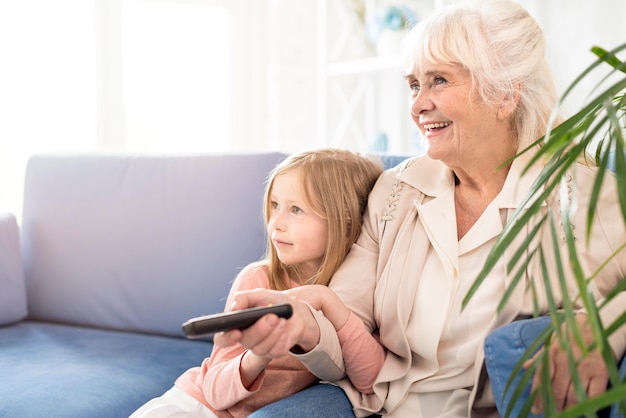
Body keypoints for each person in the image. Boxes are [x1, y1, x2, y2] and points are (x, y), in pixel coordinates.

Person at [215, 1, 626, 417]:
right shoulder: (396, 190)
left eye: (439, 81)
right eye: (414, 85)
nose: (417, 105)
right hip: (379, 406)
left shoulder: (583, 196)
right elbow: (347, 318)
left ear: (504, 95)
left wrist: (603, 327)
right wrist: (304, 325)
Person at [129, 148, 384, 418]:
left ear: (344, 224)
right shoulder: (258, 279)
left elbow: (371, 383)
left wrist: (327, 300)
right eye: (275, 205)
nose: (276, 223)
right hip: (197, 405)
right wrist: (259, 355)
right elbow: (215, 390)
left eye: (296, 209)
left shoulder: (356, 293)